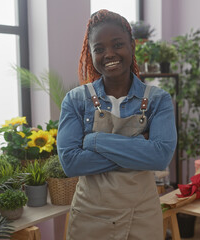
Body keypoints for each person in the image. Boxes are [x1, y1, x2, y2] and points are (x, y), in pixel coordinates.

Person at [57, 9, 177, 240]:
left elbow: (159, 157)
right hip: (90, 216)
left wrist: (94, 141)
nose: (109, 54)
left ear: (132, 46)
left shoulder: (157, 99)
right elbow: (71, 164)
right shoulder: (75, 100)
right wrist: (138, 150)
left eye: (117, 44)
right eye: (99, 49)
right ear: (90, 54)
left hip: (141, 216)